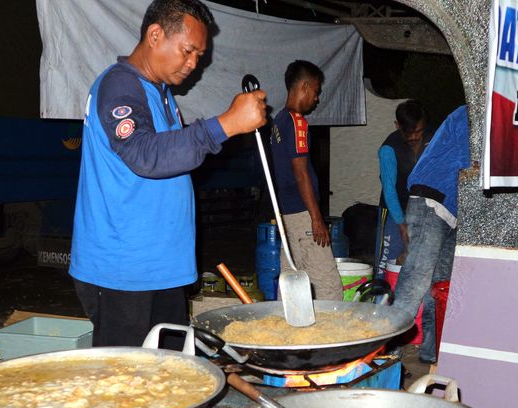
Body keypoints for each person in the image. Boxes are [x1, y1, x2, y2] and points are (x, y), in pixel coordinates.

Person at [69, 0, 267, 348]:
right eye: (188, 51)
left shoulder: (160, 93)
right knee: (125, 386)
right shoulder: (119, 86)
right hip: (125, 272)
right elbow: (145, 155)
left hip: (161, 268)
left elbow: (173, 157)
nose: (194, 64)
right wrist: (226, 124)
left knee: (169, 380)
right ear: (155, 35)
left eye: (199, 56)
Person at [392, 105, 470, 364]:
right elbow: (476, 165)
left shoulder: (480, 115)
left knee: (440, 286)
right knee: (415, 281)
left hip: (450, 210)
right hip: (432, 201)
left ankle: (431, 350)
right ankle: (387, 351)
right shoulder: (468, 114)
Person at [270, 60, 343, 301]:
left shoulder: (278, 122)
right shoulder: (297, 122)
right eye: (316, 90)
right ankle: (331, 338)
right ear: (304, 86)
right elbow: (301, 173)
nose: (317, 97)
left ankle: (287, 336)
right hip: (303, 216)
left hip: (287, 215)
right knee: (330, 288)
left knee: (290, 283)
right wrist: (316, 218)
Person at [374, 99, 432, 279]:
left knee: (419, 262)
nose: (415, 137)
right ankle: (380, 303)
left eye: (419, 131)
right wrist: (402, 225)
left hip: (421, 209)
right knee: (387, 263)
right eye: (409, 133)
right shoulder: (389, 149)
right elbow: (389, 190)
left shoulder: (432, 140)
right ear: (397, 125)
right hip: (393, 210)